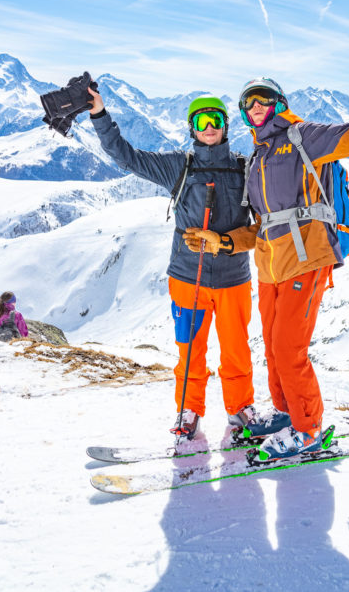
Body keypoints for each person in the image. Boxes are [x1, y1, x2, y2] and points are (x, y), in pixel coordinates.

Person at [185, 52, 349, 462]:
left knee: (289, 349)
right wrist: (221, 242)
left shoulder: (305, 136)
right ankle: (286, 413)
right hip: (270, 267)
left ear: (279, 103)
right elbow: (262, 226)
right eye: (248, 104)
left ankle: (308, 430)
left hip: (307, 259)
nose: (255, 108)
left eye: (262, 100)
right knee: (272, 346)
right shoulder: (258, 158)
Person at [88, 85, 255, 439]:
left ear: (226, 125)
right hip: (186, 278)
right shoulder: (179, 166)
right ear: (192, 127)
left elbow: (262, 221)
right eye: (201, 120)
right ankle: (189, 409)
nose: (209, 126)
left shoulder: (245, 168)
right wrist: (99, 115)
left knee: (236, 350)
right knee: (190, 349)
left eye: (216, 119)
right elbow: (126, 156)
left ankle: (239, 408)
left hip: (233, 278)